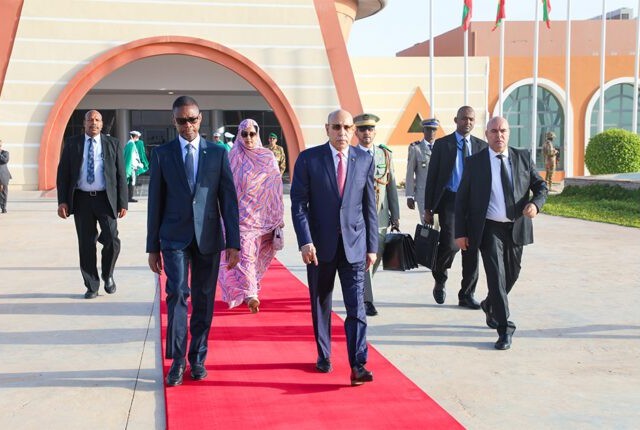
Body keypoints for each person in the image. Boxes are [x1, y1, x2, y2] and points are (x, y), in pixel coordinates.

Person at [146, 96, 241, 387]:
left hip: (208, 237)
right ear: (173, 121)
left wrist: (234, 242)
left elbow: (228, 200)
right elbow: (155, 202)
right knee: (176, 294)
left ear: (200, 119)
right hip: (173, 237)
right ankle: (177, 360)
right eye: (181, 120)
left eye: (191, 119)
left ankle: (198, 357)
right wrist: (152, 247)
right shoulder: (162, 154)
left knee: (203, 298)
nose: (187, 125)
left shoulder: (218, 153)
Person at [290, 109, 378, 386]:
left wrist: (372, 246)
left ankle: (358, 364)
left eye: (347, 127)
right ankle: (324, 354)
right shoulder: (309, 159)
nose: (342, 132)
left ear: (353, 130)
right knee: (321, 303)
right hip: (319, 247)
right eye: (337, 127)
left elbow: (369, 206)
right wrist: (305, 241)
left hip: (354, 246)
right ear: (327, 128)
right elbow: (299, 204)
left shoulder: (364, 159)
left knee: (357, 307)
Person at [455, 116, 548, 350]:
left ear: (508, 133)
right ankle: (505, 329)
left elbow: (540, 186)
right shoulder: (474, 163)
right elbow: (462, 199)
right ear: (486, 134)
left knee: (512, 275)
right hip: (489, 228)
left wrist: (536, 204)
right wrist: (460, 232)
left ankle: (490, 304)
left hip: (516, 226)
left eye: (503, 131)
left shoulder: (522, 157)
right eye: (494, 131)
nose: (499, 135)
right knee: (496, 277)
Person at [56, 110, 128, 299]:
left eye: (97, 120)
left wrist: (123, 202)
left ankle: (108, 274)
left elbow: (121, 174)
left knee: (112, 239)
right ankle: (91, 285)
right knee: (86, 244)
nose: (93, 123)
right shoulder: (72, 144)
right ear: (84, 123)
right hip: (81, 200)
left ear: (102, 124)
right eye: (90, 120)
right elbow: (63, 174)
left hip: (105, 199)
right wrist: (62, 201)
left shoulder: (113, 144)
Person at [218, 119, 284, 313]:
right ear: (239, 135)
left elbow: (276, 187)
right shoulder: (233, 156)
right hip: (240, 218)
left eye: (252, 134)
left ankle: (249, 288)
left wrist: (278, 216)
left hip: (263, 217)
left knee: (255, 257)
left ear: (257, 134)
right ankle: (251, 295)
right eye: (244, 134)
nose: (248, 138)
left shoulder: (267, 156)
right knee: (245, 255)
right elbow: (225, 188)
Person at [424, 106, 487, 308]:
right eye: (464, 118)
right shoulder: (443, 145)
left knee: (472, 249)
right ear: (456, 120)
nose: (467, 122)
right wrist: (428, 208)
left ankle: (466, 294)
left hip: (474, 204)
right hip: (451, 201)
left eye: (471, 119)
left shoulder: (481, 146)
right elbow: (432, 177)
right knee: (451, 244)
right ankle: (440, 277)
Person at [354, 113, 399, 317]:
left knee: (377, 253)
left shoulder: (384, 155)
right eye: (362, 129)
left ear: (375, 132)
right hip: (358, 214)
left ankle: (360, 288)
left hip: (380, 215)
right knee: (366, 255)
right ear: (356, 132)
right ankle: (366, 300)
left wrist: (395, 216)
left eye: (370, 129)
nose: (367, 133)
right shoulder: (351, 155)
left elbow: (391, 186)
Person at [406, 118, 438, 224]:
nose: (431, 132)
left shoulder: (440, 147)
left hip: (439, 195)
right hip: (423, 194)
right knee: (427, 225)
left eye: (434, 130)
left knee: (440, 225)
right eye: (428, 129)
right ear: (423, 130)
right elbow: (410, 173)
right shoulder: (416, 148)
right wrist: (410, 195)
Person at [124, 131, 144, 202]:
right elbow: (132, 157)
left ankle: (129, 197)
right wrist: (137, 165)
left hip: (131, 166)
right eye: (137, 137)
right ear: (134, 136)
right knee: (131, 182)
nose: (138, 138)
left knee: (130, 182)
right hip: (131, 167)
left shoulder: (130, 144)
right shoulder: (131, 144)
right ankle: (129, 197)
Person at [0, 139, 11, 214]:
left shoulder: (5, 153)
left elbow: (4, 160)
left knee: (3, 193)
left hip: (3, 176)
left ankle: (3, 208)